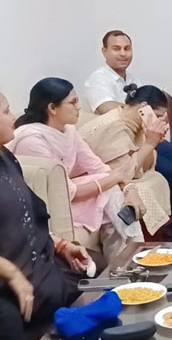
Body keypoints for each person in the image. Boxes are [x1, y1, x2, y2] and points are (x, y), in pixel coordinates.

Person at [0, 82, 105, 340]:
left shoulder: (3, 157)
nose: (14, 117)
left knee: (96, 266)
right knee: (9, 318)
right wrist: (10, 273)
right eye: (6, 111)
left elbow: (26, 216)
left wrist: (60, 245)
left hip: (33, 262)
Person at [8, 78, 142, 259]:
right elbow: (67, 192)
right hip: (46, 206)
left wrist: (129, 189)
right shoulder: (32, 139)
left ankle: (128, 259)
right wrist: (115, 178)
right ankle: (132, 257)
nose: (79, 107)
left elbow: (98, 168)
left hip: (65, 197)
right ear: (52, 108)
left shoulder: (68, 131)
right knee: (109, 192)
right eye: (73, 102)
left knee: (112, 195)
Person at [83, 30, 172, 218]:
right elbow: (107, 109)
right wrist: (139, 114)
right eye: (116, 48)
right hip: (118, 138)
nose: (123, 53)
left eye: (127, 48)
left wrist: (150, 123)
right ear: (104, 51)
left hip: (139, 134)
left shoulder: (133, 79)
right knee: (167, 168)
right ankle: (167, 217)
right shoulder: (98, 79)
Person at [78, 84, 172, 235]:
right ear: (144, 108)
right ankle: (144, 239)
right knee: (143, 189)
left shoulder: (135, 124)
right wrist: (149, 143)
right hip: (92, 179)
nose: (159, 121)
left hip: (116, 174)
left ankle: (159, 234)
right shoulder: (114, 126)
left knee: (157, 178)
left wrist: (152, 141)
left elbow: (146, 168)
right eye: (157, 115)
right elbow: (123, 173)